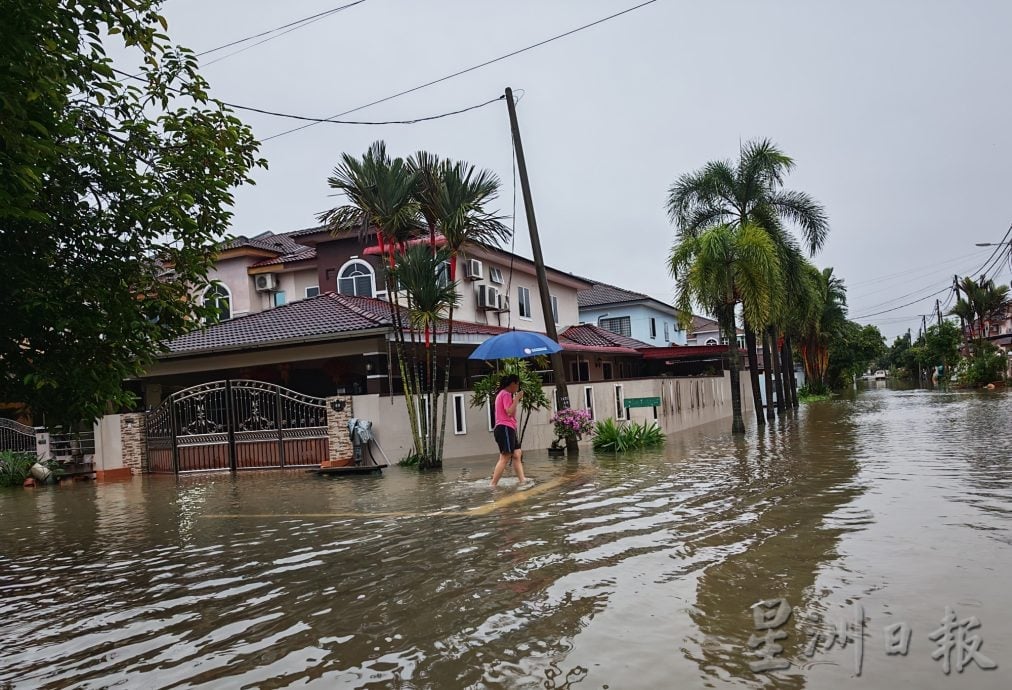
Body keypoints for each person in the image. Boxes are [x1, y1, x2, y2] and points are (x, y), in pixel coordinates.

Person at [490, 373, 526, 487]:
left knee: (517, 453)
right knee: (505, 457)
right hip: (504, 427)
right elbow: (509, 412)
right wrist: (517, 398)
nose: (518, 387)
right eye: (517, 384)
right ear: (512, 384)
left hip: (509, 428)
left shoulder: (505, 394)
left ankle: (522, 480)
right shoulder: (505, 394)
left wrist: (515, 398)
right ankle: (493, 484)